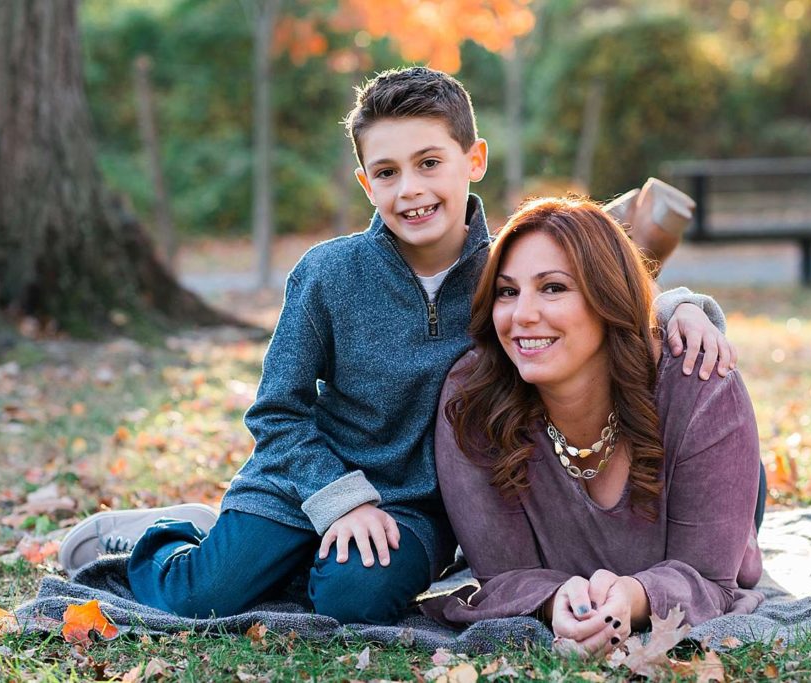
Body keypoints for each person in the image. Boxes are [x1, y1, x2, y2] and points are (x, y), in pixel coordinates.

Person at [58, 68, 733, 625]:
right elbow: (277, 413)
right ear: (365, 183)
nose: (410, 188)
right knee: (200, 597)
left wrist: (681, 306)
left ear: (475, 159)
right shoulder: (327, 275)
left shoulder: (504, 278)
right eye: (386, 172)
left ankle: (301, 567)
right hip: (301, 484)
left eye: (429, 163)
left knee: (354, 600)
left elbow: (593, 289)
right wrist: (339, 498)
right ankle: (167, 536)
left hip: (416, 505)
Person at [429, 196, 763, 655]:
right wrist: (553, 599)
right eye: (507, 292)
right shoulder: (473, 398)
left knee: (733, 534)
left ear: (608, 297)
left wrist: (635, 598)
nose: (522, 314)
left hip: (698, 465)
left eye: (552, 288)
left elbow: (710, 578)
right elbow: (503, 575)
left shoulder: (701, 383)